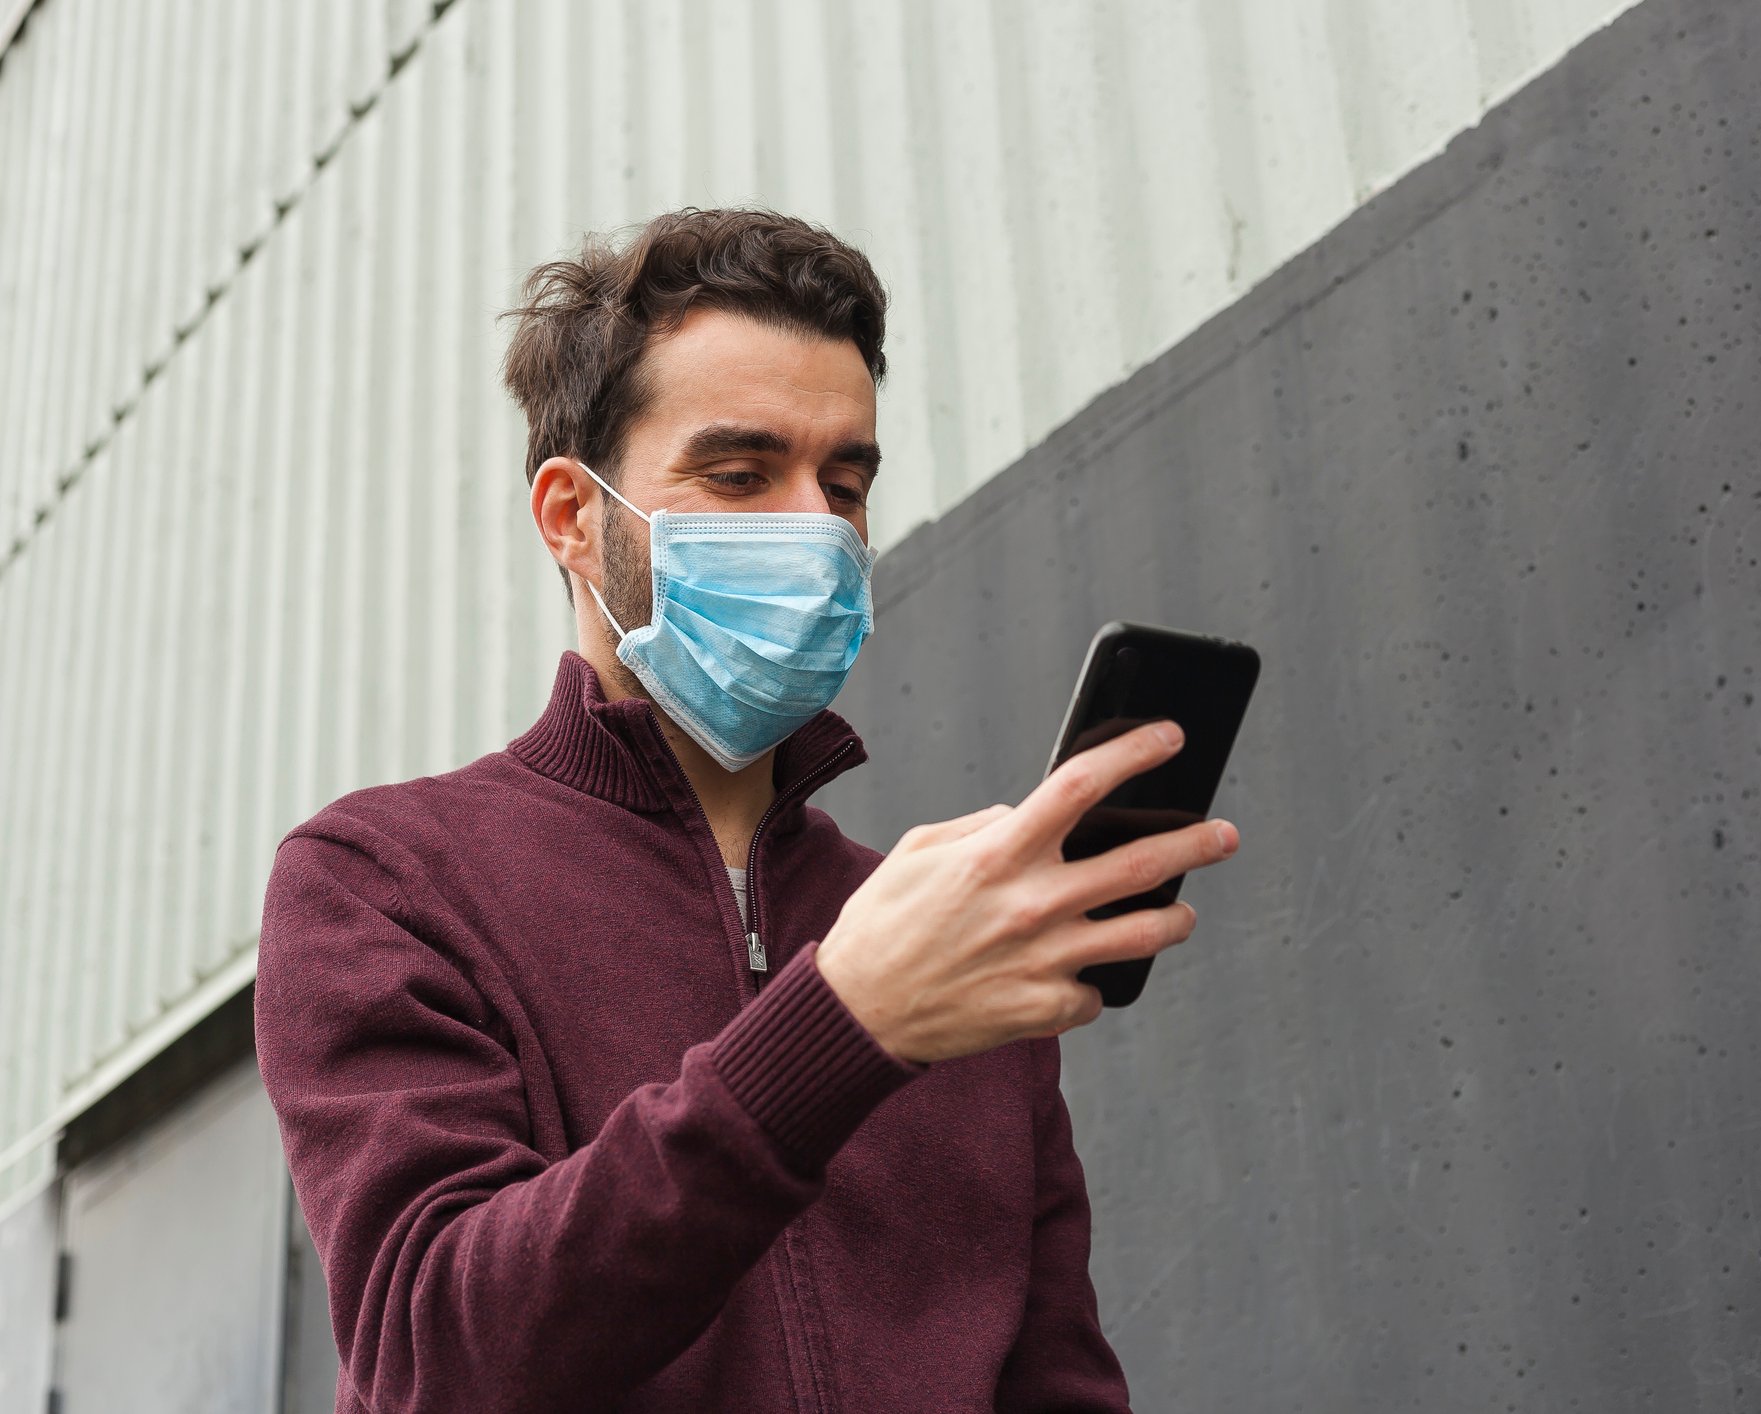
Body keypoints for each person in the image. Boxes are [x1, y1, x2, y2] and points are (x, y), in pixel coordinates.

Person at [253, 208, 1241, 1413]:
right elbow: (435, 1356)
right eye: (739, 473)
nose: (817, 531)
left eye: (845, 480)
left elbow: (1060, 1379)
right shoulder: (384, 879)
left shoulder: (942, 935)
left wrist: (884, 989)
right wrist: (841, 1023)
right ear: (574, 517)